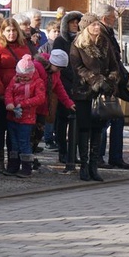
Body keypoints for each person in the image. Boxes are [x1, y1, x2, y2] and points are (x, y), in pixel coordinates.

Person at [69, 13, 121, 182]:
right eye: (93, 25)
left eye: (98, 24)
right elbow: (77, 68)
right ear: (86, 27)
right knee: (84, 128)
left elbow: (115, 65)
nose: (97, 28)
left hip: (102, 93)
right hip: (84, 93)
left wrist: (110, 80)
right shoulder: (78, 44)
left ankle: (93, 165)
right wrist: (95, 80)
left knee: (98, 128)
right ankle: (84, 165)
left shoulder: (105, 43)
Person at [0, 18, 34, 174]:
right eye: (8, 30)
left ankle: (13, 161)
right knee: (0, 128)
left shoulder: (25, 48)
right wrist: (2, 92)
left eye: (14, 30)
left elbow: (31, 70)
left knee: (15, 130)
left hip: (20, 95)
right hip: (3, 95)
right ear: (3, 32)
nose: (11, 33)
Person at [96, 4, 129, 169]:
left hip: (113, 83)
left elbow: (116, 59)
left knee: (117, 119)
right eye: (113, 18)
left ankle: (115, 157)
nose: (115, 20)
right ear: (105, 18)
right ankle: (99, 157)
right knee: (104, 121)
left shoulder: (109, 33)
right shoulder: (100, 34)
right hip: (104, 84)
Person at [4, 54, 46, 177]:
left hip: (27, 118)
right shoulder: (15, 79)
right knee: (13, 142)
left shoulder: (38, 82)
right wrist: (9, 103)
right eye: (20, 77)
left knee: (24, 142)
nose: (22, 80)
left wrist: (22, 104)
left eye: (25, 78)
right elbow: (8, 92)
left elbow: (40, 98)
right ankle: (13, 165)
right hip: (12, 117)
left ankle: (26, 167)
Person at [52, 11, 82, 164]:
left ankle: (72, 152)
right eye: (72, 23)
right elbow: (59, 62)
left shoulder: (81, 40)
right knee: (63, 120)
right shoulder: (60, 40)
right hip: (64, 84)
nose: (75, 25)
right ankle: (63, 151)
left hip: (79, 85)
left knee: (76, 122)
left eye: (77, 23)